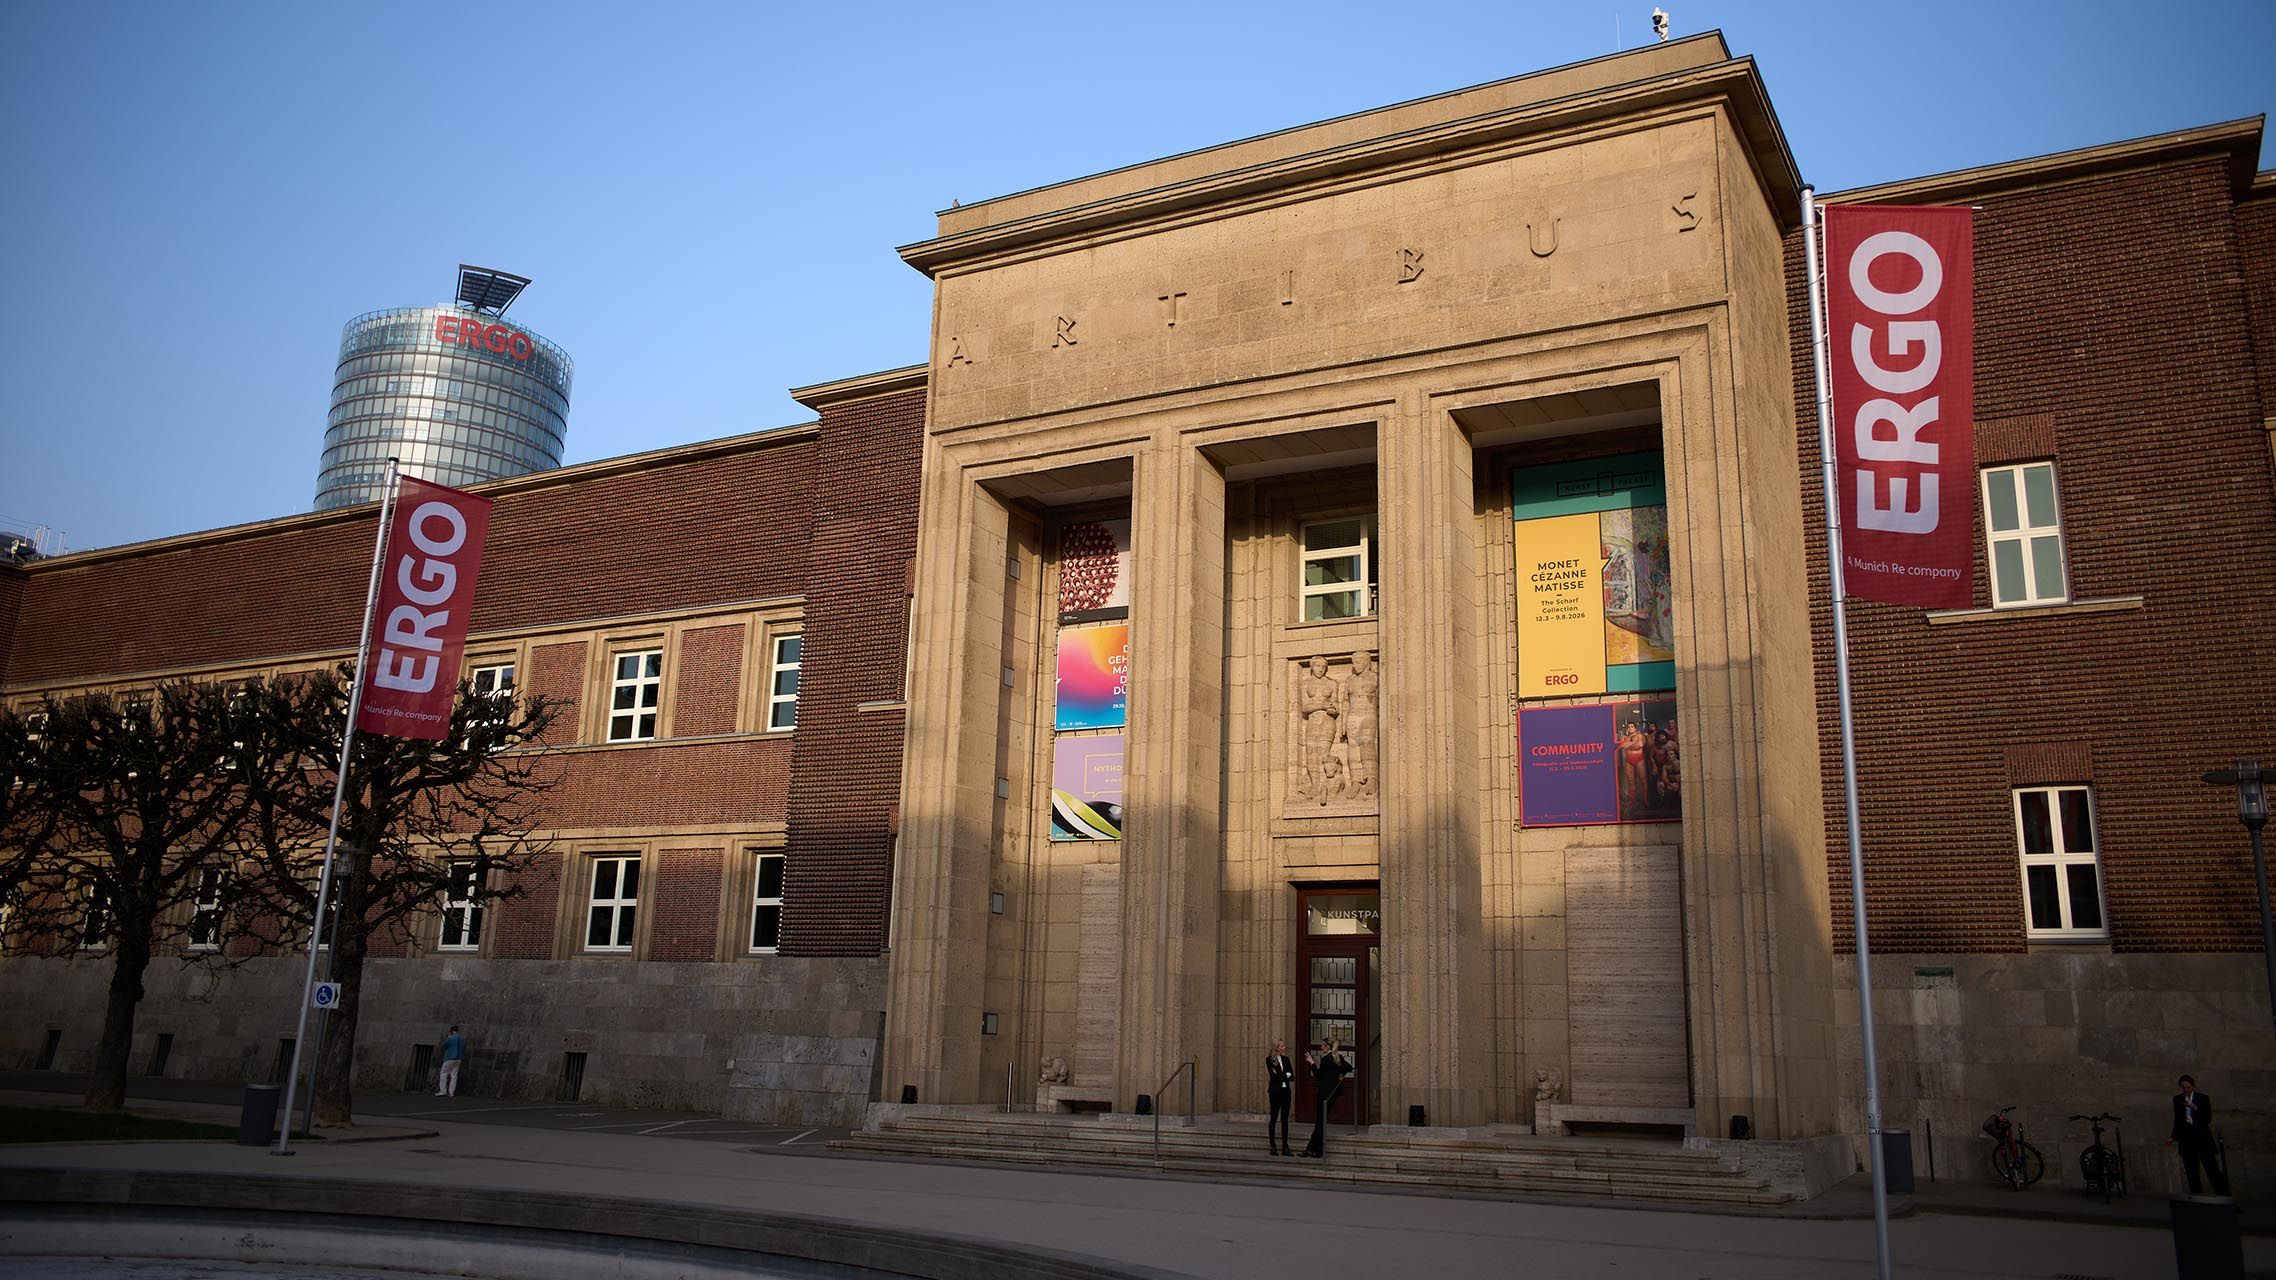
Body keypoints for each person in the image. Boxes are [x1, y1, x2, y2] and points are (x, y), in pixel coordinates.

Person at [2168, 1072, 2230, 1195]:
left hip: (2202, 1139)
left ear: (2193, 1086)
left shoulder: (2202, 1098)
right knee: (2192, 1172)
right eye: (2183, 1087)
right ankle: (2197, 1198)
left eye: (2188, 1087)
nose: (2186, 1090)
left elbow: (2207, 1119)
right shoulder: (2178, 1099)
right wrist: (2173, 1136)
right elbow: (2178, 1120)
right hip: (2187, 1140)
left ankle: (2224, 1197)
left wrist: (2195, 1108)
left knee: (2212, 1170)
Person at [1301, 1039, 1350, 1158]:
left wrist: (1312, 1063)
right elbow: (1348, 1068)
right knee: (1320, 1121)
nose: (1321, 1047)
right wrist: (1339, 1077)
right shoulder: (1338, 1058)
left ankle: (1318, 1150)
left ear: (1328, 1047)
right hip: (1332, 1094)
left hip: (1324, 1094)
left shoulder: (1326, 1059)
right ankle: (1311, 1148)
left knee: (1320, 1122)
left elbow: (1318, 1076)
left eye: (1323, 1045)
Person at [1265, 1038, 1296, 1157]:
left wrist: (1282, 1075)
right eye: (1282, 1046)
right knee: (1273, 1118)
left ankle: (1285, 1147)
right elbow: (1273, 1076)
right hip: (1275, 1092)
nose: (1284, 1047)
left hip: (1286, 1093)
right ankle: (1272, 1146)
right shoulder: (1269, 1060)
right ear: (1276, 1047)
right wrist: (1285, 1075)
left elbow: (1292, 1076)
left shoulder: (1286, 1059)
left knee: (1285, 1120)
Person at [436, 1025, 468, 1098]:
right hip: (458, 1058)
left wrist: (448, 1037)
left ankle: (443, 1091)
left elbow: (443, 1045)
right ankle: (451, 1092)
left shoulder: (451, 1038)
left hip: (450, 1058)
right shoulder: (462, 1038)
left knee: (444, 1073)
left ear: (451, 1031)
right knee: (454, 1075)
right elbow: (464, 1047)